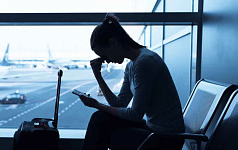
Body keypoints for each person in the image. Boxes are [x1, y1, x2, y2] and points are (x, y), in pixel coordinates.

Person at [79, 14, 185, 150]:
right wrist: (98, 76)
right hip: (154, 129)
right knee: (100, 119)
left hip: (166, 140)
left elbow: (135, 115)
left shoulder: (144, 62)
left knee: (102, 127)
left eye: (104, 56)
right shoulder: (132, 65)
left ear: (113, 42)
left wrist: (98, 105)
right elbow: (119, 103)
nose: (106, 61)